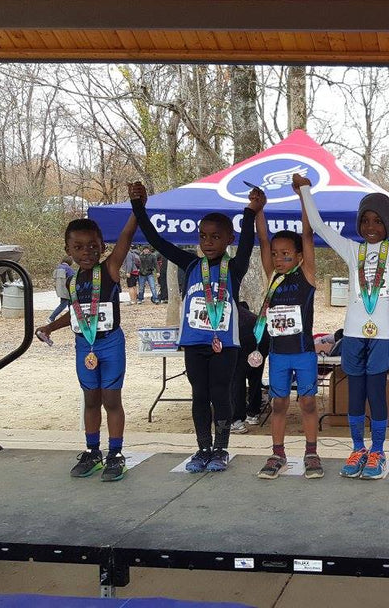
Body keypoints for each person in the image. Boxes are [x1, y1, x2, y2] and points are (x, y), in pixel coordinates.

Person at [302, 150, 389, 480]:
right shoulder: (351, 249)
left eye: (378, 221)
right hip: (352, 335)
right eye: (366, 220)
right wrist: (305, 191)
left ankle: (377, 450)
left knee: (376, 393)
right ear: (359, 223)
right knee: (355, 393)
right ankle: (357, 448)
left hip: (379, 337)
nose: (371, 226)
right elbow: (318, 224)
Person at [131, 181, 262, 473]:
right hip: (194, 343)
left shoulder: (234, 268)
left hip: (225, 345)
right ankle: (202, 448)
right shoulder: (190, 265)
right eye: (203, 236)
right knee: (199, 394)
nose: (208, 242)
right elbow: (157, 241)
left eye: (216, 237)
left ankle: (221, 448)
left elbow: (248, 240)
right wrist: (139, 206)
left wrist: (251, 212)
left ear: (229, 238)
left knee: (221, 394)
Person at [34, 188, 138, 482]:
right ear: (68, 249)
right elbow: (77, 314)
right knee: (91, 399)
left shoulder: (110, 269)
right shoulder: (72, 280)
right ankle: (93, 452)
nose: (87, 252)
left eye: (93, 246)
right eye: (79, 247)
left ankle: (115, 454)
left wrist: (136, 208)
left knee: (111, 400)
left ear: (102, 246)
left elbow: (127, 238)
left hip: (110, 344)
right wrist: (49, 326)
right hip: (84, 346)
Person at [253, 175, 324, 480]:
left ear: (297, 257)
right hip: (278, 354)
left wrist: (302, 197)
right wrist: (259, 210)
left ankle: (311, 452)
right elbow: (264, 240)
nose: (278, 258)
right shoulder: (272, 275)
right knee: (278, 403)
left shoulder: (306, 275)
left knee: (307, 402)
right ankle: (277, 453)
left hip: (304, 352)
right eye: (275, 255)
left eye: (286, 254)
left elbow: (307, 235)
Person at [229, 300, 268, 435]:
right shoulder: (249, 315)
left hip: (245, 339)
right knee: (255, 377)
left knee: (237, 379)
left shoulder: (230, 312)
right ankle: (253, 413)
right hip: (262, 336)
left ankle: (237, 420)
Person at [49, 257, 75, 322]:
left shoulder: (57, 268)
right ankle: (51, 318)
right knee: (63, 304)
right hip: (66, 290)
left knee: (70, 304)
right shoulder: (68, 269)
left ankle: (72, 317)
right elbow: (73, 278)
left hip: (59, 290)